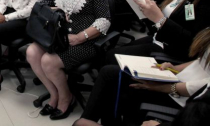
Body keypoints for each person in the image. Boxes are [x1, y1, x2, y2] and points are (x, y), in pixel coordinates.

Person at [26, 0, 110, 120]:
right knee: (32, 52)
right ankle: (54, 94)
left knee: (48, 61)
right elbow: (44, 6)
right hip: (59, 36)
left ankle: (66, 97)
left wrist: (81, 37)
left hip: (86, 40)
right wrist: (54, 8)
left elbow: (104, 20)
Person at [75, 27, 210, 126]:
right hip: (176, 80)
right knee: (109, 73)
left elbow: (202, 88)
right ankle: (89, 120)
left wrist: (162, 87)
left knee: (122, 88)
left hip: (182, 96)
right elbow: (202, 61)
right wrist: (175, 69)